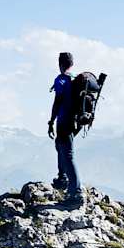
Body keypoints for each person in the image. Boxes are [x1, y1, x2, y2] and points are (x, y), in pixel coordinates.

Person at [48, 52, 83, 206]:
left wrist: (51, 121)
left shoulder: (61, 79)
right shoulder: (76, 78)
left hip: (64, 121)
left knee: (68, 155)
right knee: (60, 146)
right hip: (75, 122)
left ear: (60, 63)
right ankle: (63, 178)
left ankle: (76, 193)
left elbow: (58, 101)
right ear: (72, 63)